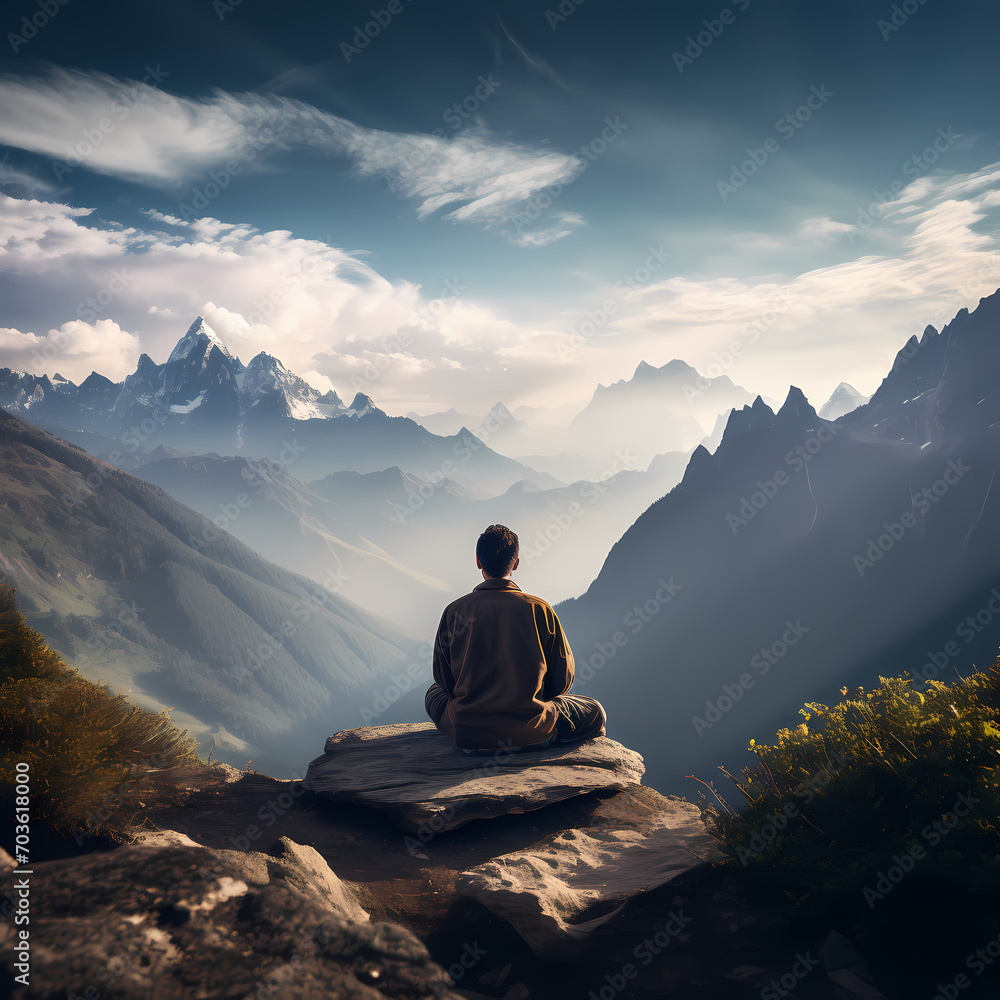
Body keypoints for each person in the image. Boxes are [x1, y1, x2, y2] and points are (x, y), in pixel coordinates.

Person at [424, 523, 606, 753]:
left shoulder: (454, 611)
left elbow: (443, 679)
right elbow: (562, 682)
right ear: (516, 563)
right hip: (533, 729)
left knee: (433, 693)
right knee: (595, 709)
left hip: (468, 732)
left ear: (478, 562)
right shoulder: (540, 609)